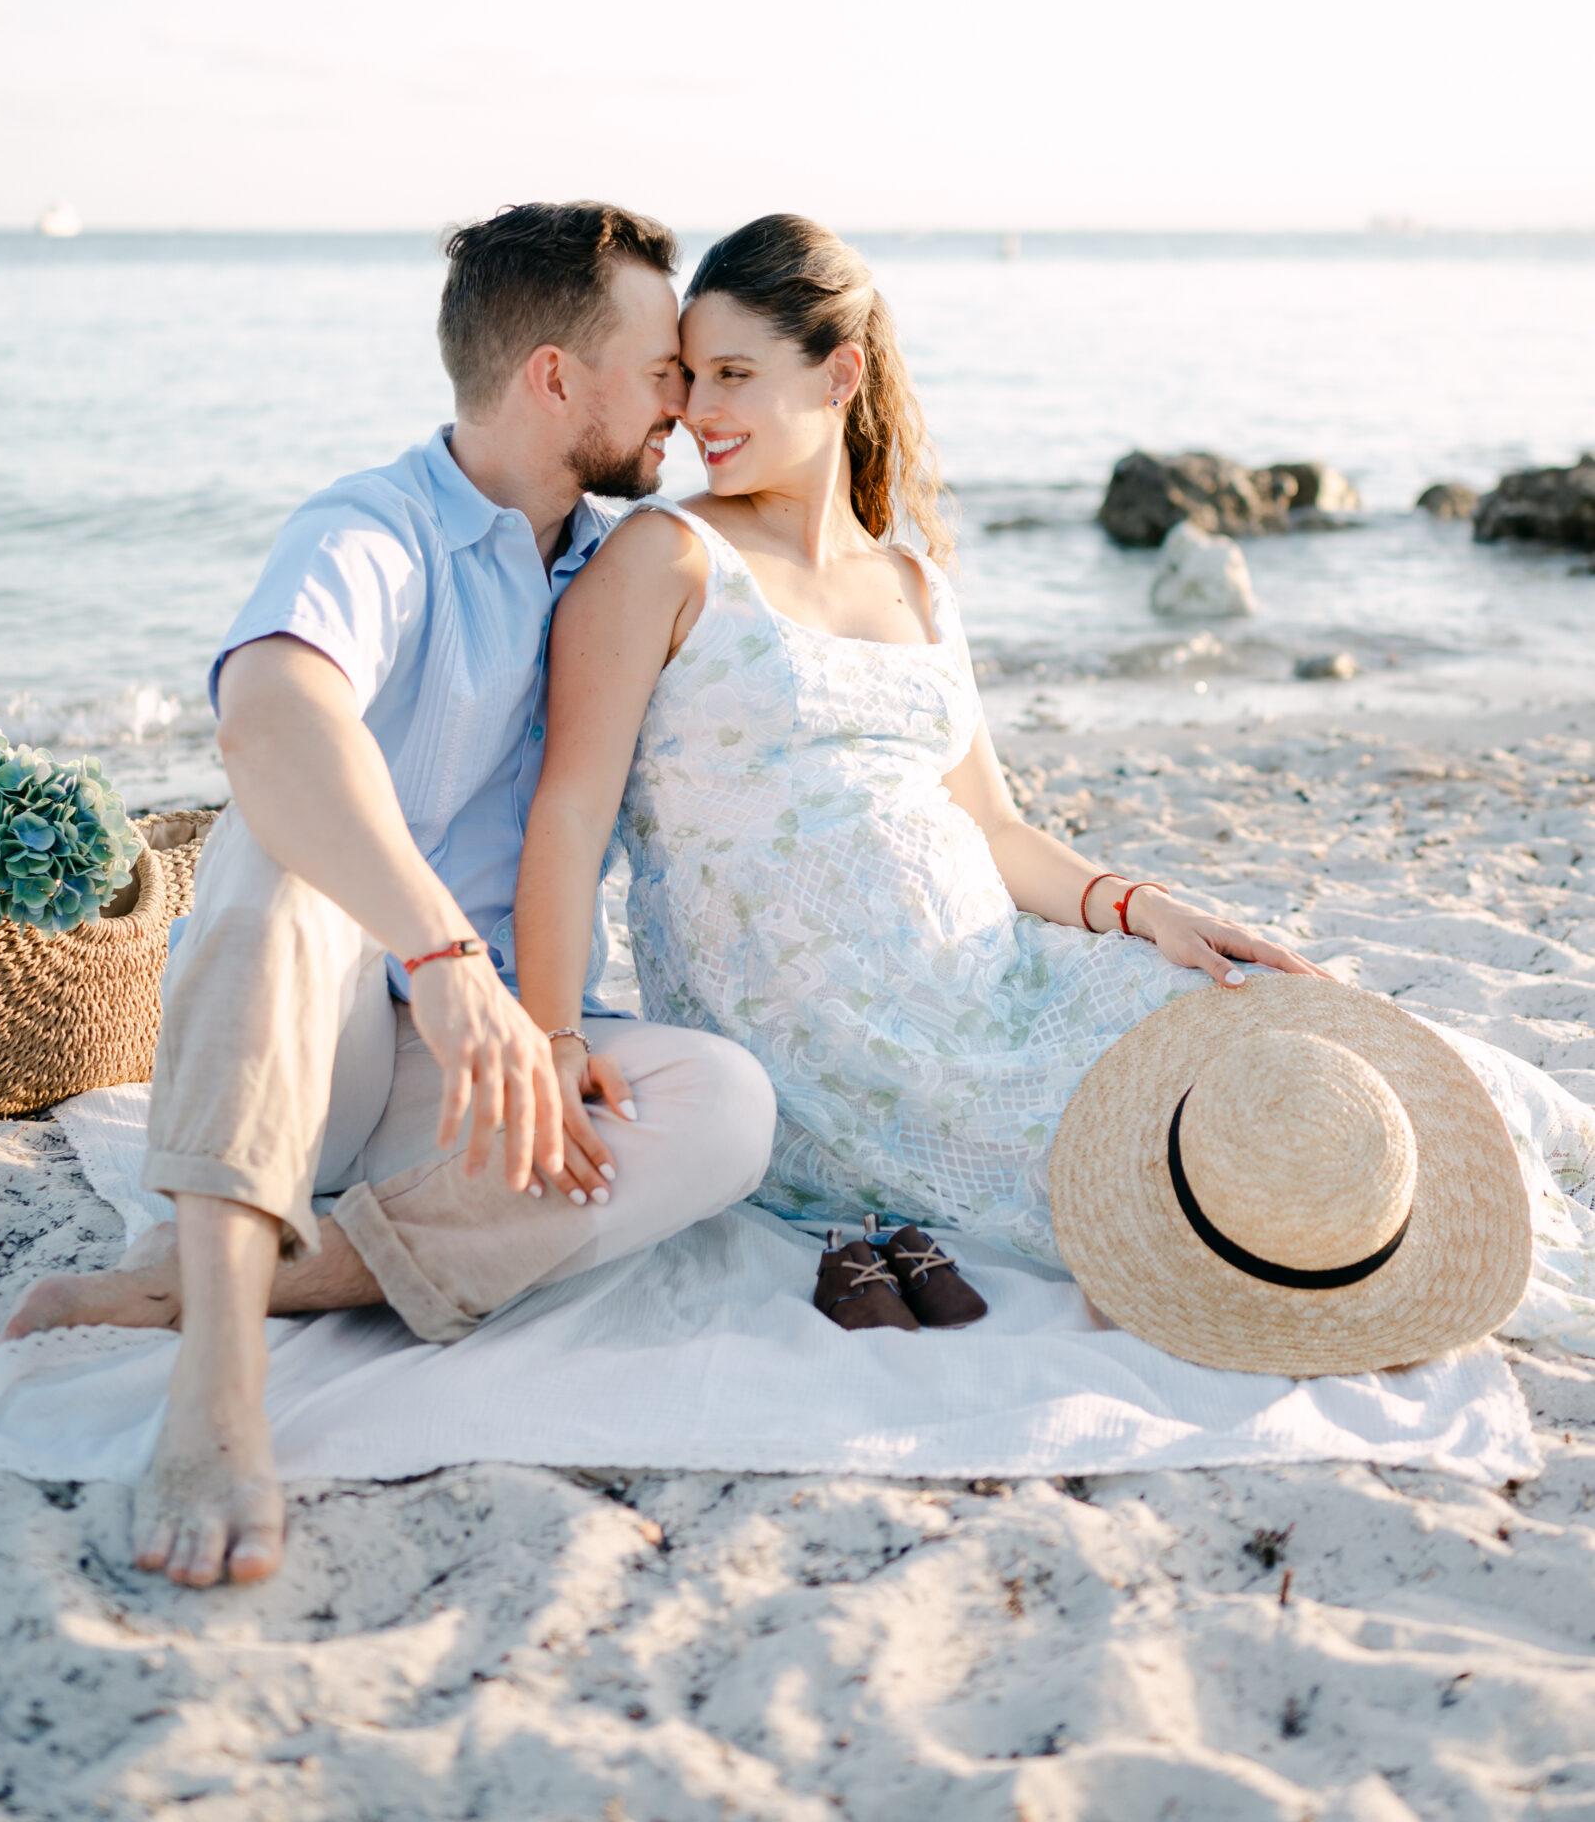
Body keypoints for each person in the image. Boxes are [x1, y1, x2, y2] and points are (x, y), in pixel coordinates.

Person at [513, 212, 1595, 1343]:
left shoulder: (912, 579)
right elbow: (571, 811)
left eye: (732, 374)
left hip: (1002, 973)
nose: (696, 410)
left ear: (839, 374)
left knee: (1303, 1044)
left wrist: (1139, 906)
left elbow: (989, 823)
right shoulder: (666, 557)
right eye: (687, 377)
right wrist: (553, 1035)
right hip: (834, 1045)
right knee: (1174, 1159)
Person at [4, 202, 777, 1588]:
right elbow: (270, 717)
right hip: (313, 1042)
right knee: (279, 849)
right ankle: (219, 1393)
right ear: (553, 376)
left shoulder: (611, 563)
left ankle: (190, 1291)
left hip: (462, 1096)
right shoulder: (378, 529)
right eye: (660, 368)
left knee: (725, 1109)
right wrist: (441, 956)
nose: (678, 400)